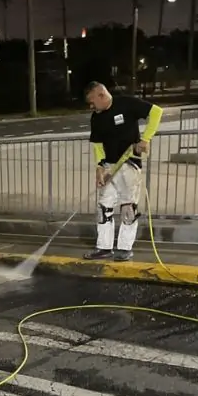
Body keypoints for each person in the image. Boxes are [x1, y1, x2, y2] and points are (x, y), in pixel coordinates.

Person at [83, 82, 163, 262]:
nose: (91, 106)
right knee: (104, 206)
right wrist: (99, 167)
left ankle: (125, 248)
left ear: (101, 95)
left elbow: (156, 112)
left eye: (92, 101)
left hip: (130, 165)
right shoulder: (96, 117)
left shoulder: (127, 104)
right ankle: (104, 247)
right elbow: (97, 144)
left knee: (128, 207)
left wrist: (145, 139)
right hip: (110, 167)